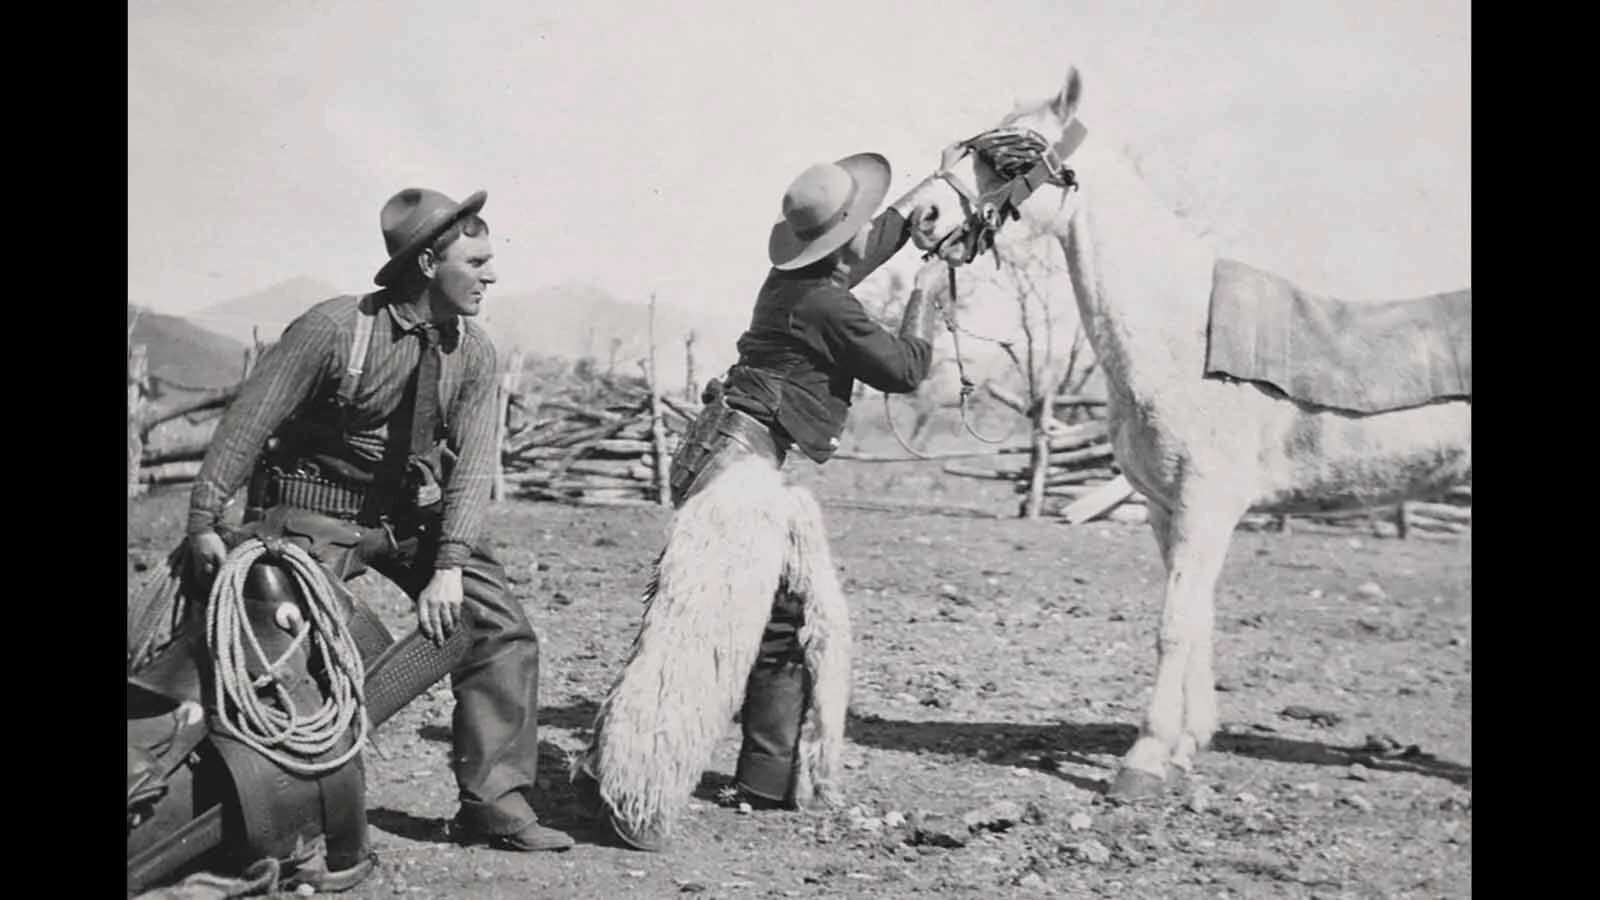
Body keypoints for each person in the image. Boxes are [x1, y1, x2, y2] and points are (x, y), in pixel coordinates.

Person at [577, 143, 964, 851]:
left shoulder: (790, 286)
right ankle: (636, 786)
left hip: (730, 451)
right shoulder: (829, 305)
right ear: (839, 247)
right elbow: (906, 368)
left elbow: (866, 247)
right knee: (700, 630)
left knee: (779, 612)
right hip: (746, 473)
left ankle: (763, 776)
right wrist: (927, 293)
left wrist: (913, 217)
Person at [184, 187, 576, 854]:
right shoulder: (336, 329)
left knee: (498, 625)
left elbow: (475, 468)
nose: (492, 274)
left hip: (407, 520)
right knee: (284, 641)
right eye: (476, 261)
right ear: (427, 264)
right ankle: (269, 801)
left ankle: (496, 807)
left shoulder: (473, 353)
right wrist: (203, 520)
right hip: (313, 512)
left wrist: (449, 567)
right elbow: (249, 422)